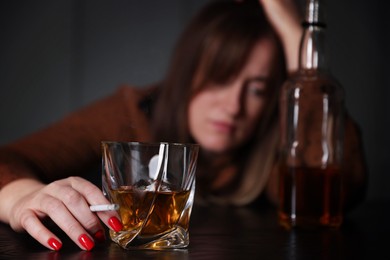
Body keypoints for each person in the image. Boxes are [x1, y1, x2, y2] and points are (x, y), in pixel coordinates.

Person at [0, 0, 367, 252]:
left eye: (256, 90)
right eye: (218, 79)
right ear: (187, 74)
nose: (233, 105)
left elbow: (341, 190)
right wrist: (20, 198)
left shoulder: (282, 138)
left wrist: (293, 32)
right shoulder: (133, 112)